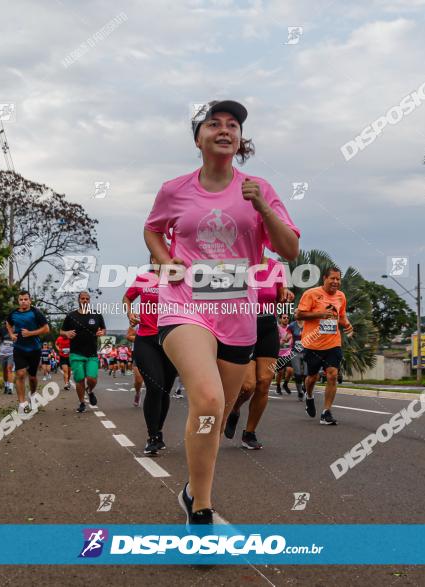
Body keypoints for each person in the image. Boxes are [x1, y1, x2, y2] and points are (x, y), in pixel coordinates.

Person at [144, 99, 299, 524]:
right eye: (214, 124)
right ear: (199, 138)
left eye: (233, 124)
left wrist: (263, 208)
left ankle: (192, 489)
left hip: (237, 312)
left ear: (240, 139)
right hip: (184, 304)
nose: (225, 129)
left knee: (215, 414)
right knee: (208, 398)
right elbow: (154, 227)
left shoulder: (259, 188)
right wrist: (162, 260)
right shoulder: (174, 189)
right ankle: (203, 510)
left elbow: (290, 249)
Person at [223, 256, 293, 449]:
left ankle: (249, 433)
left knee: (264, 382)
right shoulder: (236, 264)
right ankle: (234, 409)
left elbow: (280, 294)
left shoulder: (276, 266)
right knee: (248, 386)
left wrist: (285, 292)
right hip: (243, 327)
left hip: (268, 327)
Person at [124, 260, 178, 455]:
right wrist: (130, 313)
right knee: (155, 387)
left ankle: (158, 431)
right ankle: (152, 436)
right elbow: (127, 298)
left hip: (172, 340)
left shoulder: (178, 279)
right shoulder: (144, 279)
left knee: (165, 390)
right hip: (146, 339)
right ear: (152, 260)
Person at [296, 267, 352, 425]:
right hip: (312, 343)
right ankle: (309, 396)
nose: (336, 282)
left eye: (338, 279)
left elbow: (341, 316)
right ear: (324, 279)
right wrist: (320, 315)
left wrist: (347, 325)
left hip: (333, 343)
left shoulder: (341, 296)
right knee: (312, 377)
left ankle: (326, 412)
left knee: (333, 374)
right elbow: (299, 314)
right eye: (332, 278)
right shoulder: (311, 294)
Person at [5, 291, 50, 414]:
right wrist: (11, 334)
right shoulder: (13, 313)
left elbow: (46, 329)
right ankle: (22, 403)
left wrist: (30, 333)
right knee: (20, 374)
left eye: (26, 299)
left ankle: (33, 395)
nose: (23, 301)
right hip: (19, 348)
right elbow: (8, 323)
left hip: (34, 349)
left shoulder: (36, 313)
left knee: (32, 377)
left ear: (30, 300)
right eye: (21, 299)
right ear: (18, 301)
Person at [61, 291, 106, 413]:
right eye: (82, 298)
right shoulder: (71, 316)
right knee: (80, 379)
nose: (85, 300)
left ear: (89, 300)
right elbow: (61, 331)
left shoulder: (96, 315)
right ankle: (82, 402)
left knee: (92, 379)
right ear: (78, 300)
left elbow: (103, 329)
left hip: (91, 353)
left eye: (87, 298)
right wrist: (66, 333)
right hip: (76, 353)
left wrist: (102, 333)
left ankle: (90, 391)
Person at [0, 321, 15, 394]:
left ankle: (11, 388)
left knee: (9, 369)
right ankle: (6, 386)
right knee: (4, 371)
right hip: (3, 354)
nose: (8, 325)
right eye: (7, 324)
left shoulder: (15, 329)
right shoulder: (1, 330)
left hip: (11, 353)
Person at [287, 317, 307, 399]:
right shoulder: (292, 325)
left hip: (307, 352)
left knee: (306, 374)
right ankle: (300, 392)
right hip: (295, 352)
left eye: (298, 312)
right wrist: (286, 339)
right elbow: (287, 335)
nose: (297, 314)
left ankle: (305, 389)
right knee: (298, 374)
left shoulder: (308, 324)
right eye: (295, 313)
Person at [275, 314, 294, 395]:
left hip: (289, 353)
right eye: (284, 318)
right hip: (279, 353)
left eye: (287, 318)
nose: (286, 319)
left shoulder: (291, 327)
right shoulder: (277, 328)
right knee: (280, 372)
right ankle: (278, 386)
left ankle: (285, 384)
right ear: (280, 319)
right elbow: (274, 341)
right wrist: (281, 342)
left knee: (290, 370)